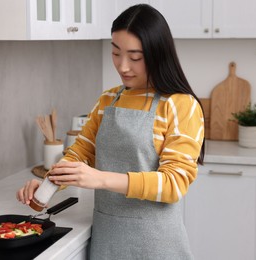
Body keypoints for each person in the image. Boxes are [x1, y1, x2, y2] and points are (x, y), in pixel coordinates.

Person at [17, 4, 205, 260]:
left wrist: (101, 179)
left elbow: (173, 184)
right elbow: (79, 155)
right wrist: (47, 186)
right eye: (116, 53)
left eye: (135, 57)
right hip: (107, 241)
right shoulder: (108, 100)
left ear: (157, 54)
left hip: (157, 245)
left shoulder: (181, 105)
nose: (123, 66)